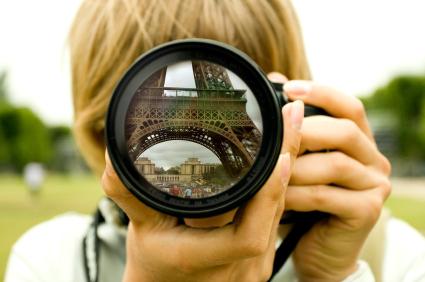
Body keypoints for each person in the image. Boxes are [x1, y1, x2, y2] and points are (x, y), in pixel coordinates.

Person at [5, 1, 425, 281]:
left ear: (289, 114)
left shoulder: (391, 255)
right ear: (105, 132)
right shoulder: (48, 259)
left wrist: (330, 275)